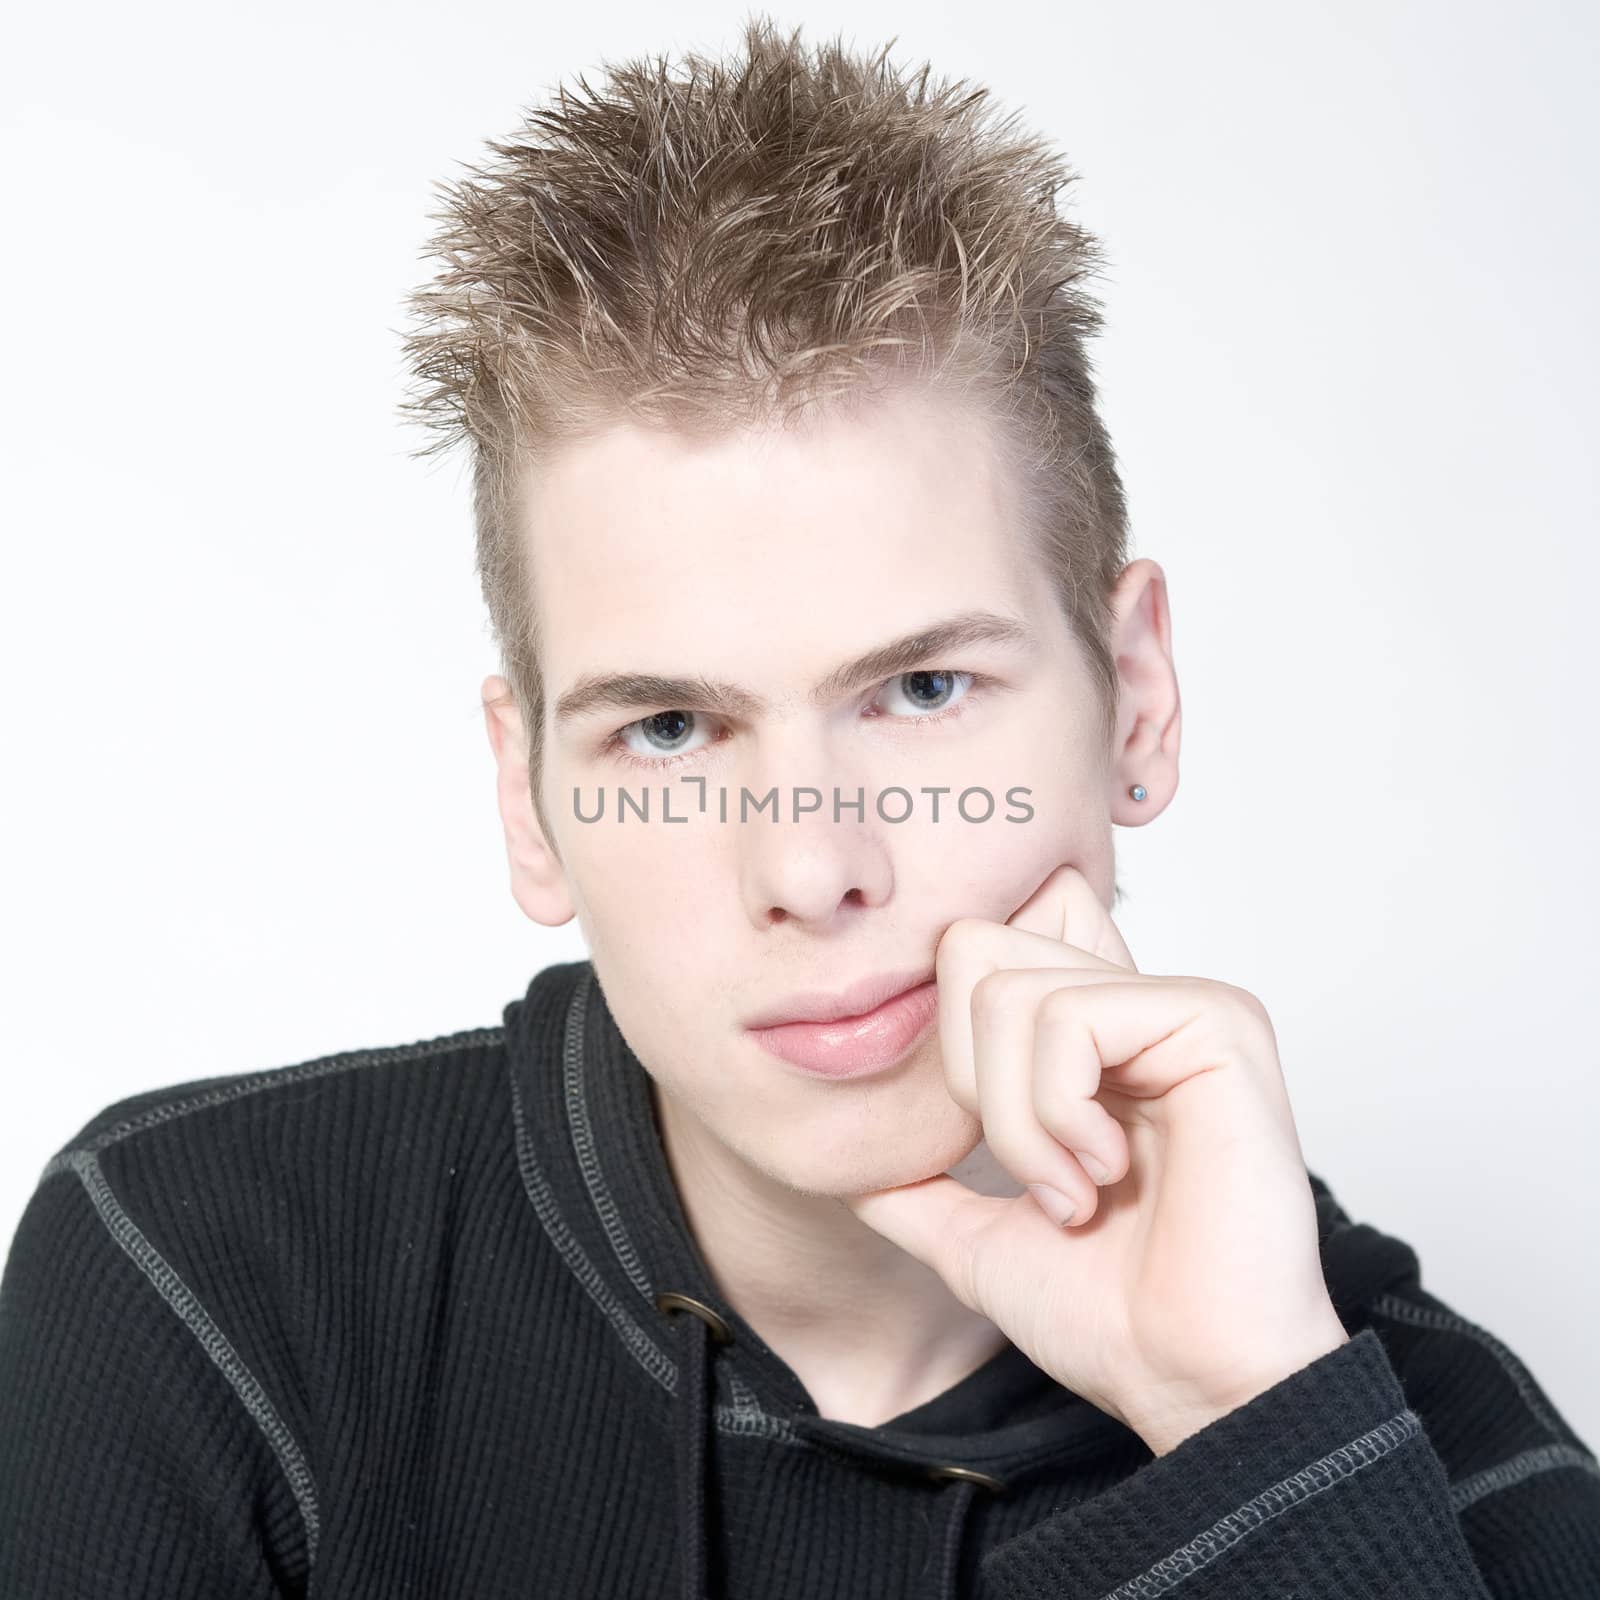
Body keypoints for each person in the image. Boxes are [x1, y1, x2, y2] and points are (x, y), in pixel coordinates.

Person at [2, 16, 1596, 1599]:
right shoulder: (195, 1286)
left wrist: (1245, 1426)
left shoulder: (1463, 1488)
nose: (813, 866)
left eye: (920, 691)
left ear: (1139, 700)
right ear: (530, 798)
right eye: (673, 727)